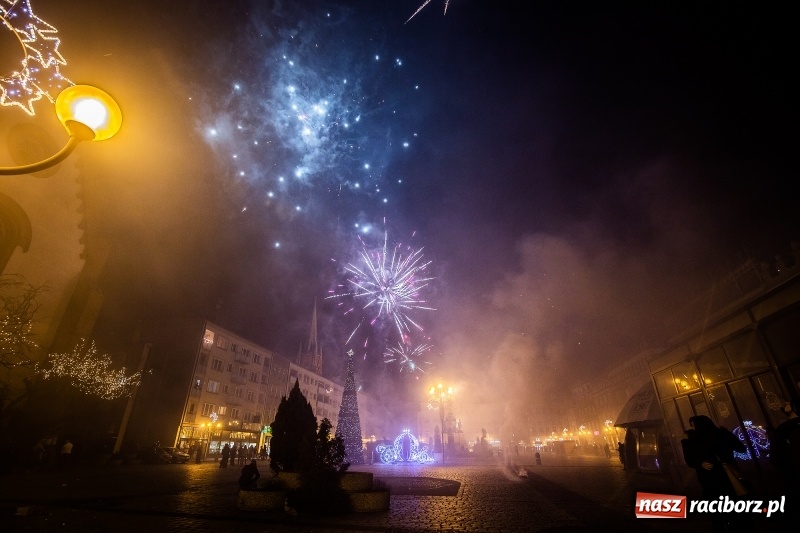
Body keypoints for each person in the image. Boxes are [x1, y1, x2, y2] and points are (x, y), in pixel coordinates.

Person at [681, 415, 748, 532]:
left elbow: (689, 459)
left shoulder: (694, 439)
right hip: (729, 476)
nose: (691, 428)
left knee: (716, 509)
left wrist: (686, 443)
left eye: (692, 425)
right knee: (735, 507)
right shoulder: (722, 434)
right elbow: (741, 448)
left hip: (710, 478)